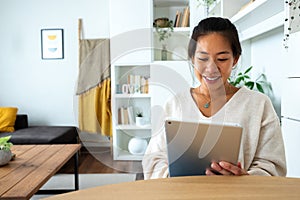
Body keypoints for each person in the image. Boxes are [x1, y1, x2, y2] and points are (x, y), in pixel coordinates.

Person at [142, 17, 286, 179]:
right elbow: (153, 160)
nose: (211, 69)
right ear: (192, 59)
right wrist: (177, 177)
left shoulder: (258, 105)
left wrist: (244, 178)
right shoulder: (175, 104)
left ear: (235, 59)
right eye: (203, 58)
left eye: (222, 59)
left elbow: (274, 167)